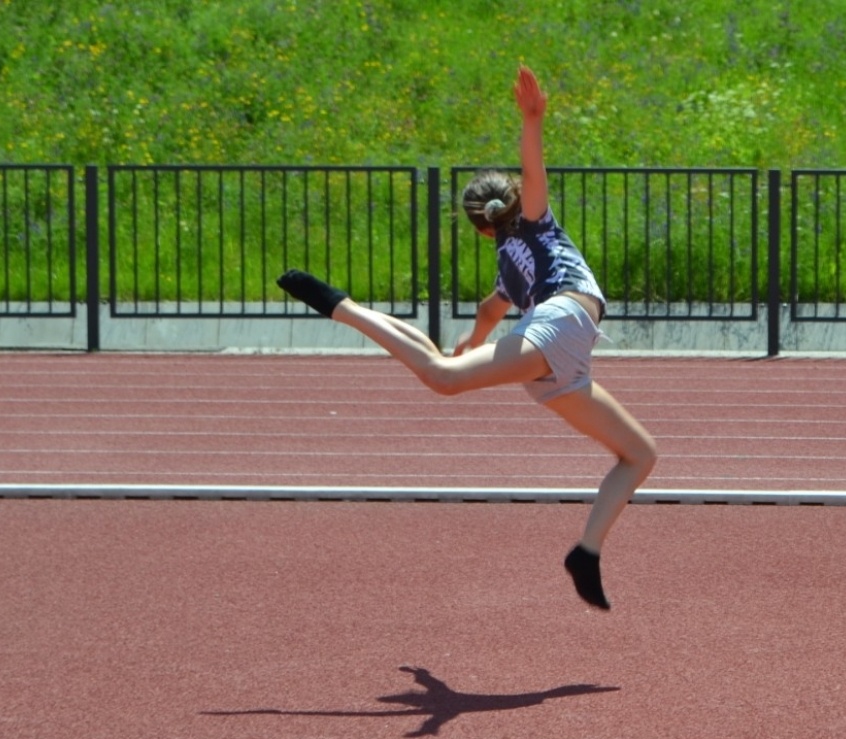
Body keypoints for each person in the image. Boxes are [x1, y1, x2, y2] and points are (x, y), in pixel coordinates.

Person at [277, 65, 656, 611]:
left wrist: (472, 345)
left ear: (480, 228)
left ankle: (587, 553)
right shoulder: (537, 222)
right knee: (440, 378)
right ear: (505, 210)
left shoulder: (513, 250)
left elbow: (488, 309)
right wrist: (532, 120)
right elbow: (532, 175)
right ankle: (343, 307)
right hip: (563, 328)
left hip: (564, 360)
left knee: (639, 455)